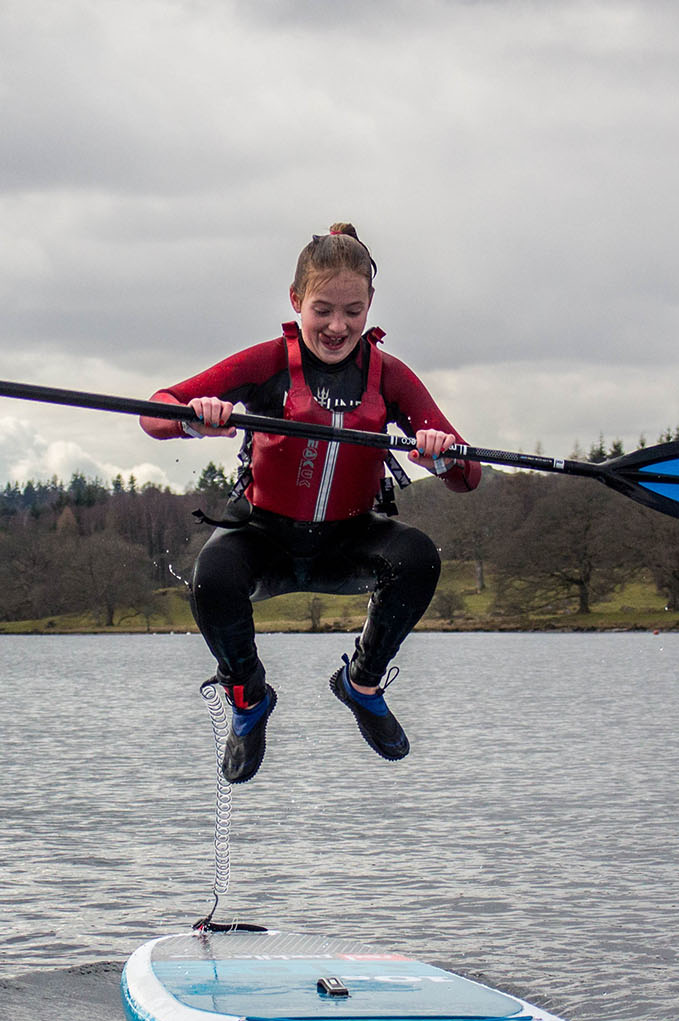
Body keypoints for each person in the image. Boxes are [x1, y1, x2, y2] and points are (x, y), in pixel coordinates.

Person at [140, 223, 482, 784]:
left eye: (353, 310)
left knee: (418, 556)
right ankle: (248, 698)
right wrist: (194, 422)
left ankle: (362, 683)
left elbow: (468, 475)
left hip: (348, 541)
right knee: (212, 574)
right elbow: (156, 411)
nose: (337, 326)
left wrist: (442, 456)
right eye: (322, 309)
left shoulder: (390, 376)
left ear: (370, 305)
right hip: (264, 538)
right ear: (296, 300)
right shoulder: (268, 362)